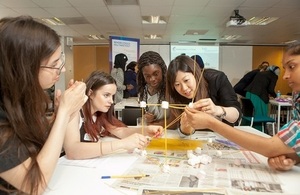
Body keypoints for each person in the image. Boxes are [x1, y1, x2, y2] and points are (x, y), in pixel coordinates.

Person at [0, 16, 87, 194]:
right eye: (54, 64)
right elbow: (34, 185)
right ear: (25, 67)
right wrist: (63, 113)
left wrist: (58, 118)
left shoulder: (19, 102)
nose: (62, 70)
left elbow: (28, 146)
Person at [183, 41, 300, 171]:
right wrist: (292, 157)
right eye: (176, 84)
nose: (285, 76)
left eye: (292, 66)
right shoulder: (297, 96)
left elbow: (270, 146)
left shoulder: (217, 79)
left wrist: (212, 121)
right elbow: (289, 146)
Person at [63, 71, 163, 160]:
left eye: (112, 96)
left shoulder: (99, 114)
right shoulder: (75, 112)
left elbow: (120, 131)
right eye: (106, 95)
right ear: (91, 93)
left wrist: (146, 130)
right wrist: (122, 144)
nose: (111, 101)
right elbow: (72, 151)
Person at [166, 55, 241, 133]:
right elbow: (185, 132)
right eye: (177, 84)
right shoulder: (175, 95)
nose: (184, 88)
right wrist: (185, 127)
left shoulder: (217, 79)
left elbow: (236, 115)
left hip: (223, 135)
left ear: (195, 74)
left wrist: (217, 110)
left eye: (186, 80)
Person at [137, 51, 168, 125]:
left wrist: (152, 124)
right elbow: (144, 113)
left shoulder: (170, 90)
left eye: (156, 74)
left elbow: (174, 122)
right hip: (153, 133)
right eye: (147, 76)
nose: (152, 79)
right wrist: (146, 117)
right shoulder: (143, 91)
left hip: (171, 133)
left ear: (163, 71)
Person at [244, 65, 280, 131]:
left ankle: (248, 129)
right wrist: (276, 96)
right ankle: (259, 130)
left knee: (249, 113)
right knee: (259, 113)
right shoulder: (274, 76)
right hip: (258, 95)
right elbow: (270, 89)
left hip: (249, 93)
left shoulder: (262, 73)